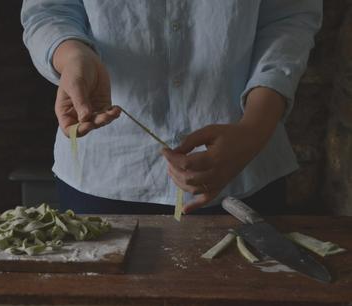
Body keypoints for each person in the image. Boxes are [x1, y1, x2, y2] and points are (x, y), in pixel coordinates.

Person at [21, 1, 322, 215]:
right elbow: (48, 10)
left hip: (245, 172)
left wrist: (253, 129)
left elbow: (290, 18)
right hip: (103, 175)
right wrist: (72, 56)